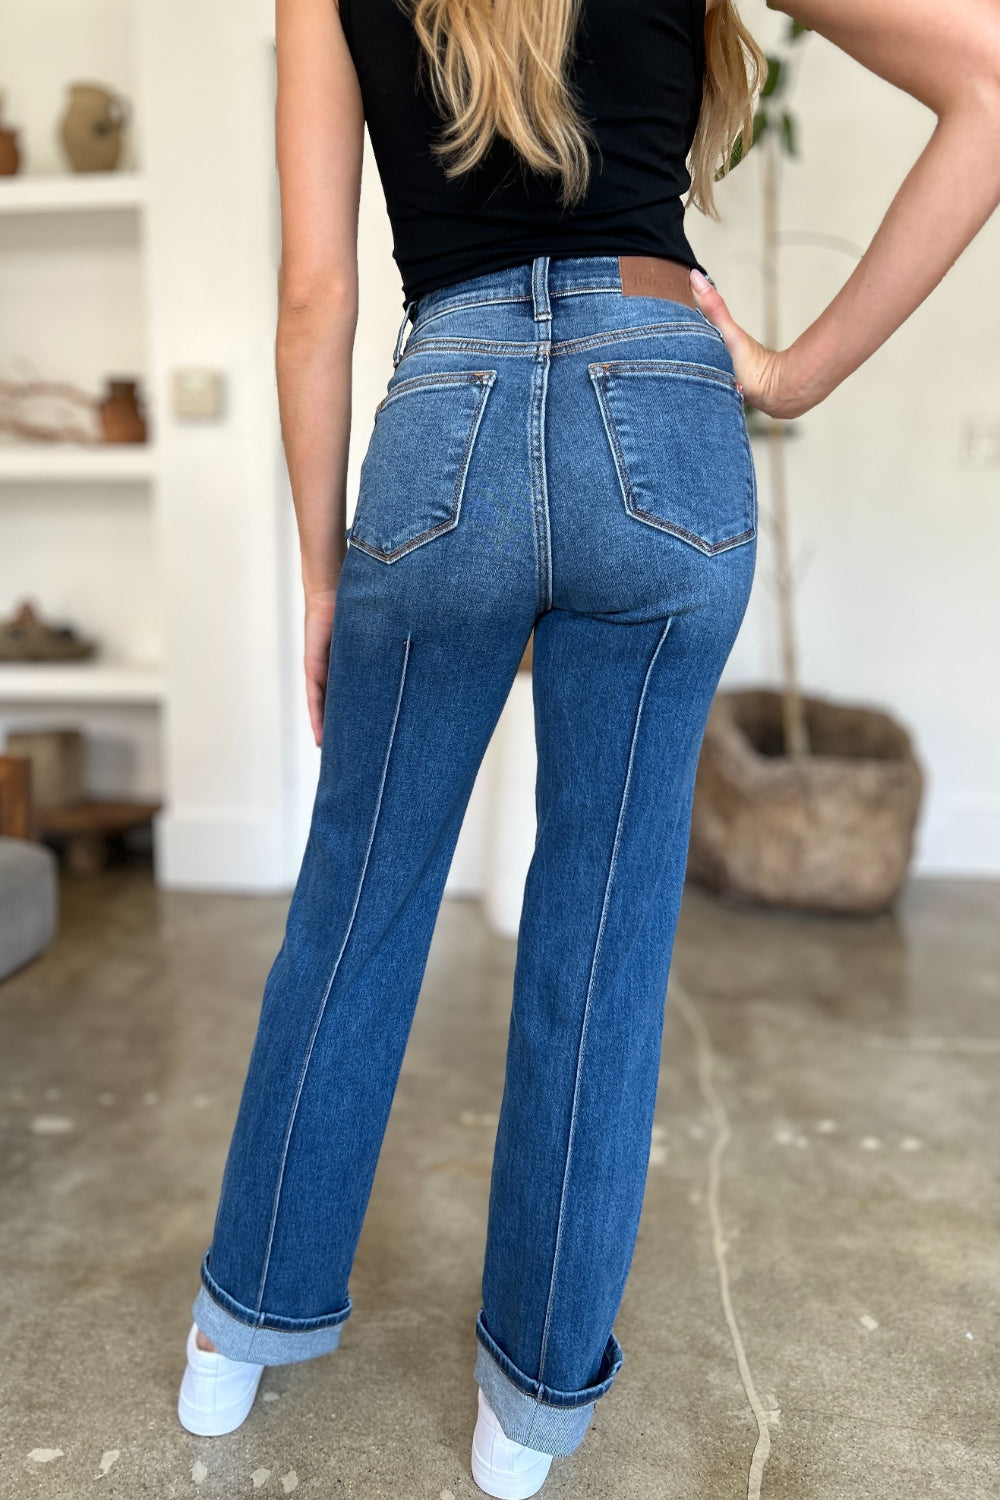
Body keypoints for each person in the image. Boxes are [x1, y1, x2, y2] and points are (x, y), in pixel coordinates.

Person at [177, 0, 1000, 1494]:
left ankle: (238, 1339)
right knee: (607, 935)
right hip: (662, 408)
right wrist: (797, 371)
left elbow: (316, 293)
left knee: (357, 903)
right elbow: (992, 75)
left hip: (450, 418)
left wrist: (321, 574)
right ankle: (531, 1410)